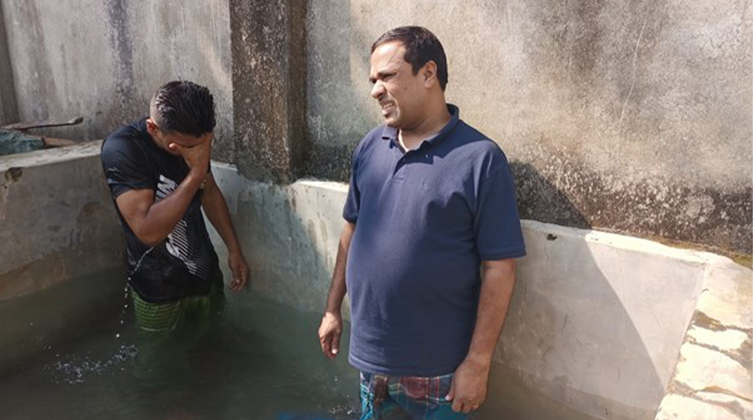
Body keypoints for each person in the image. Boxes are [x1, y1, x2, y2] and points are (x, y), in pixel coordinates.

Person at [317, 27, 526, 419]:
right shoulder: (370, 147)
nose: (376, 90)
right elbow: (352, 231)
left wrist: (477, 364)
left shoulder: (480, 159)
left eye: (387, 76)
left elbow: (500, 267)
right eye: (373, 80)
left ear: (428, 73)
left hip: (440, 374)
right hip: (371, 361)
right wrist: (332, 309)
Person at [101, 80, 250, 334]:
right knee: (160, 361)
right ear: (153, 128)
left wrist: (233, 249)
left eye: (204, 143)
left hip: (204, 274)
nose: (198, 152)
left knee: (214, 341)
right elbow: (147, 230)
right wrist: (195, 175)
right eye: (188, 147)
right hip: (157, 288)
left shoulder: (194, 137)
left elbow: (210, 193)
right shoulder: (123, 150)